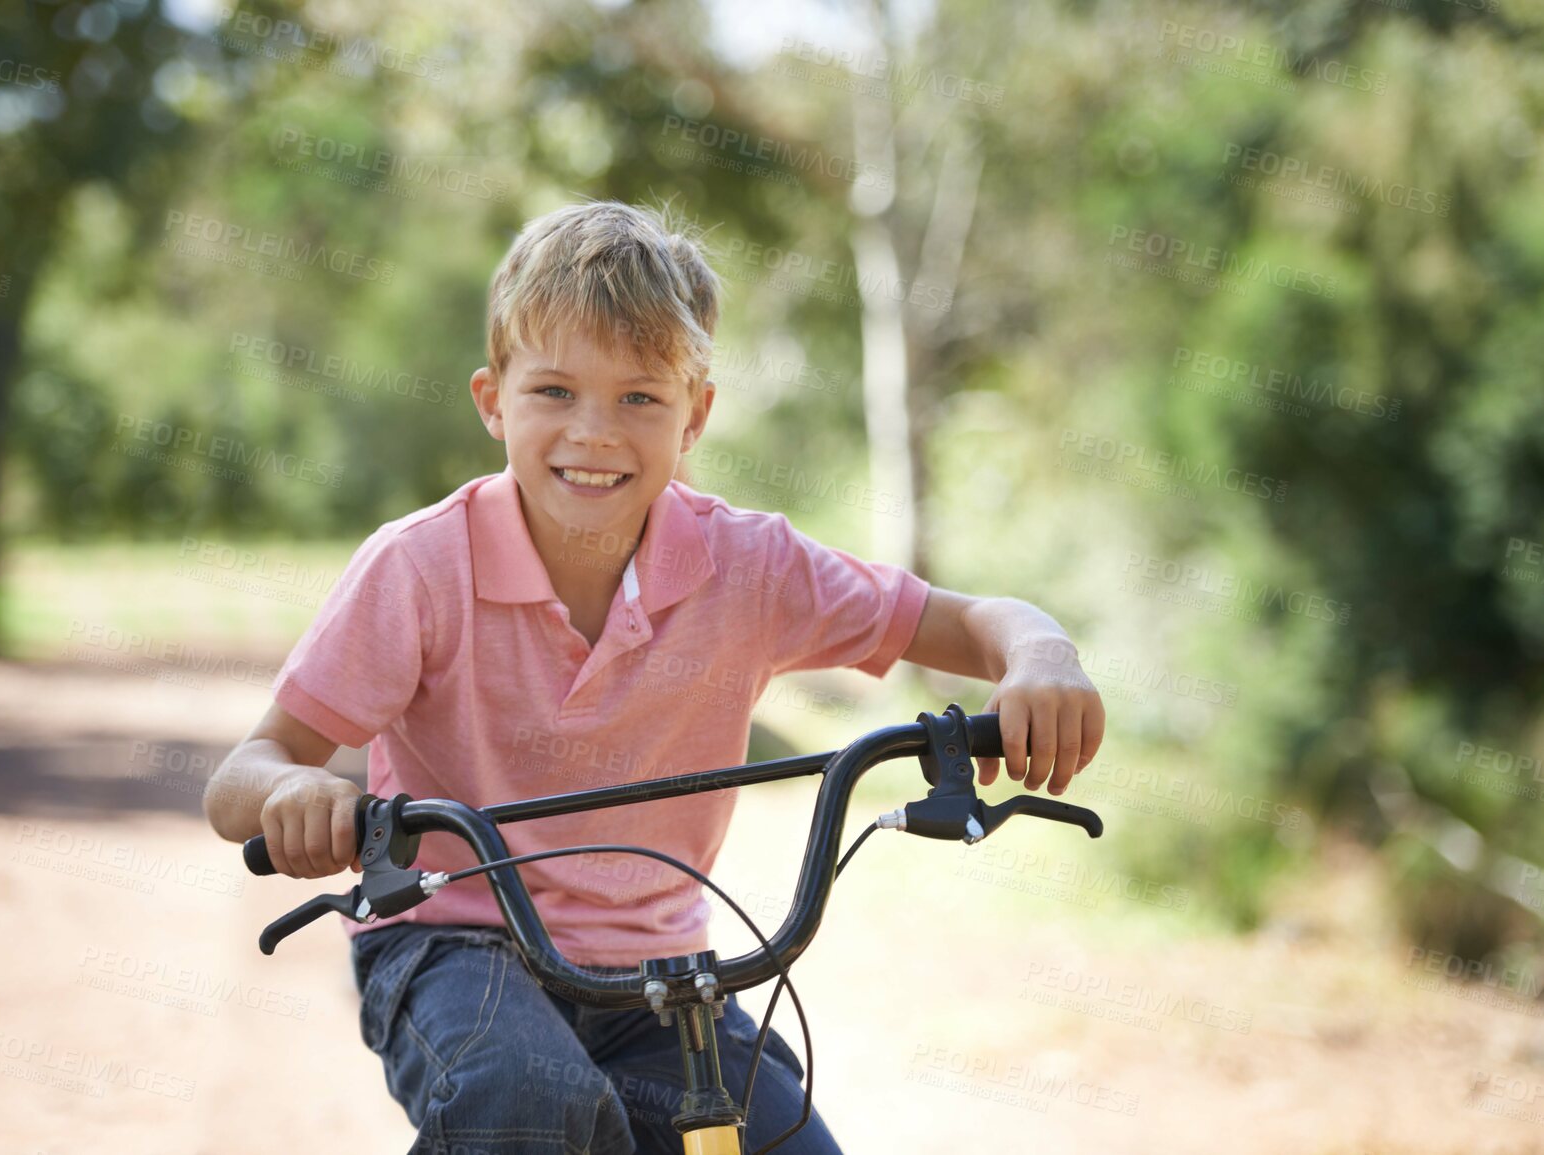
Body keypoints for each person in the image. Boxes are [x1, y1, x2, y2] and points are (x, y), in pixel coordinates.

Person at [203, 199, 1105, 1154]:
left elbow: (966, 622)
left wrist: (1041, 654)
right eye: (553, 390)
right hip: (450, 943)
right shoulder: (420, 568)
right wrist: (297, 790)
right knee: (526, 1103)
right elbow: (242, 779)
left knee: (789, 1144)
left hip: (660, 977)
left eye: (639, 397)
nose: (593, 433)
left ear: (695, 416)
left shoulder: (749, 567)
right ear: (491, 400)